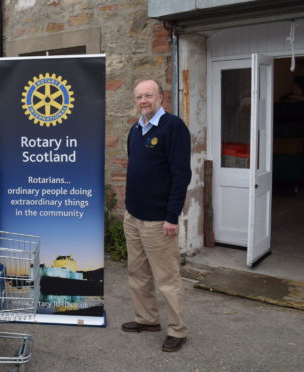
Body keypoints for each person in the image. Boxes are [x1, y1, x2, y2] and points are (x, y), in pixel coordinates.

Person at [122, 78, 192, 353]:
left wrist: (171, 216)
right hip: (133, 217)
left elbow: (181, 175)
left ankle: (177, 330)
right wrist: (129, 211)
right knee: (137, 273)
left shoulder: (173, 127)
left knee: (167, 278)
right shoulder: (135, 130)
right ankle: (147, 319)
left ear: (160, 97)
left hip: (158, 221)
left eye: (148, 96)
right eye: (139, 97)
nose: (143, 101)